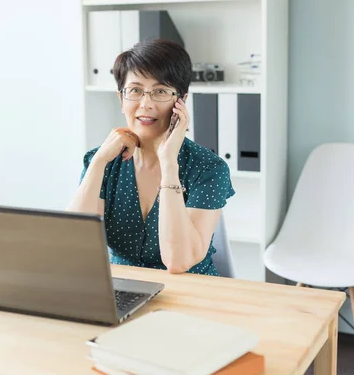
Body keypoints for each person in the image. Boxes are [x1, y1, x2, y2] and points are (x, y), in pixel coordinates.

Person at [67, 39, 234, 276]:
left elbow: (177, 262)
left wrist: (168, 163)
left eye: (160, 91)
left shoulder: (207, 168)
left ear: (181, 101)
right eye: (135, 91)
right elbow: (71, 245)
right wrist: (99, 162)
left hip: (192, 292)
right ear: (121, 99)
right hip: (122, 291)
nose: (146, 104)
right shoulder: (101, 161)